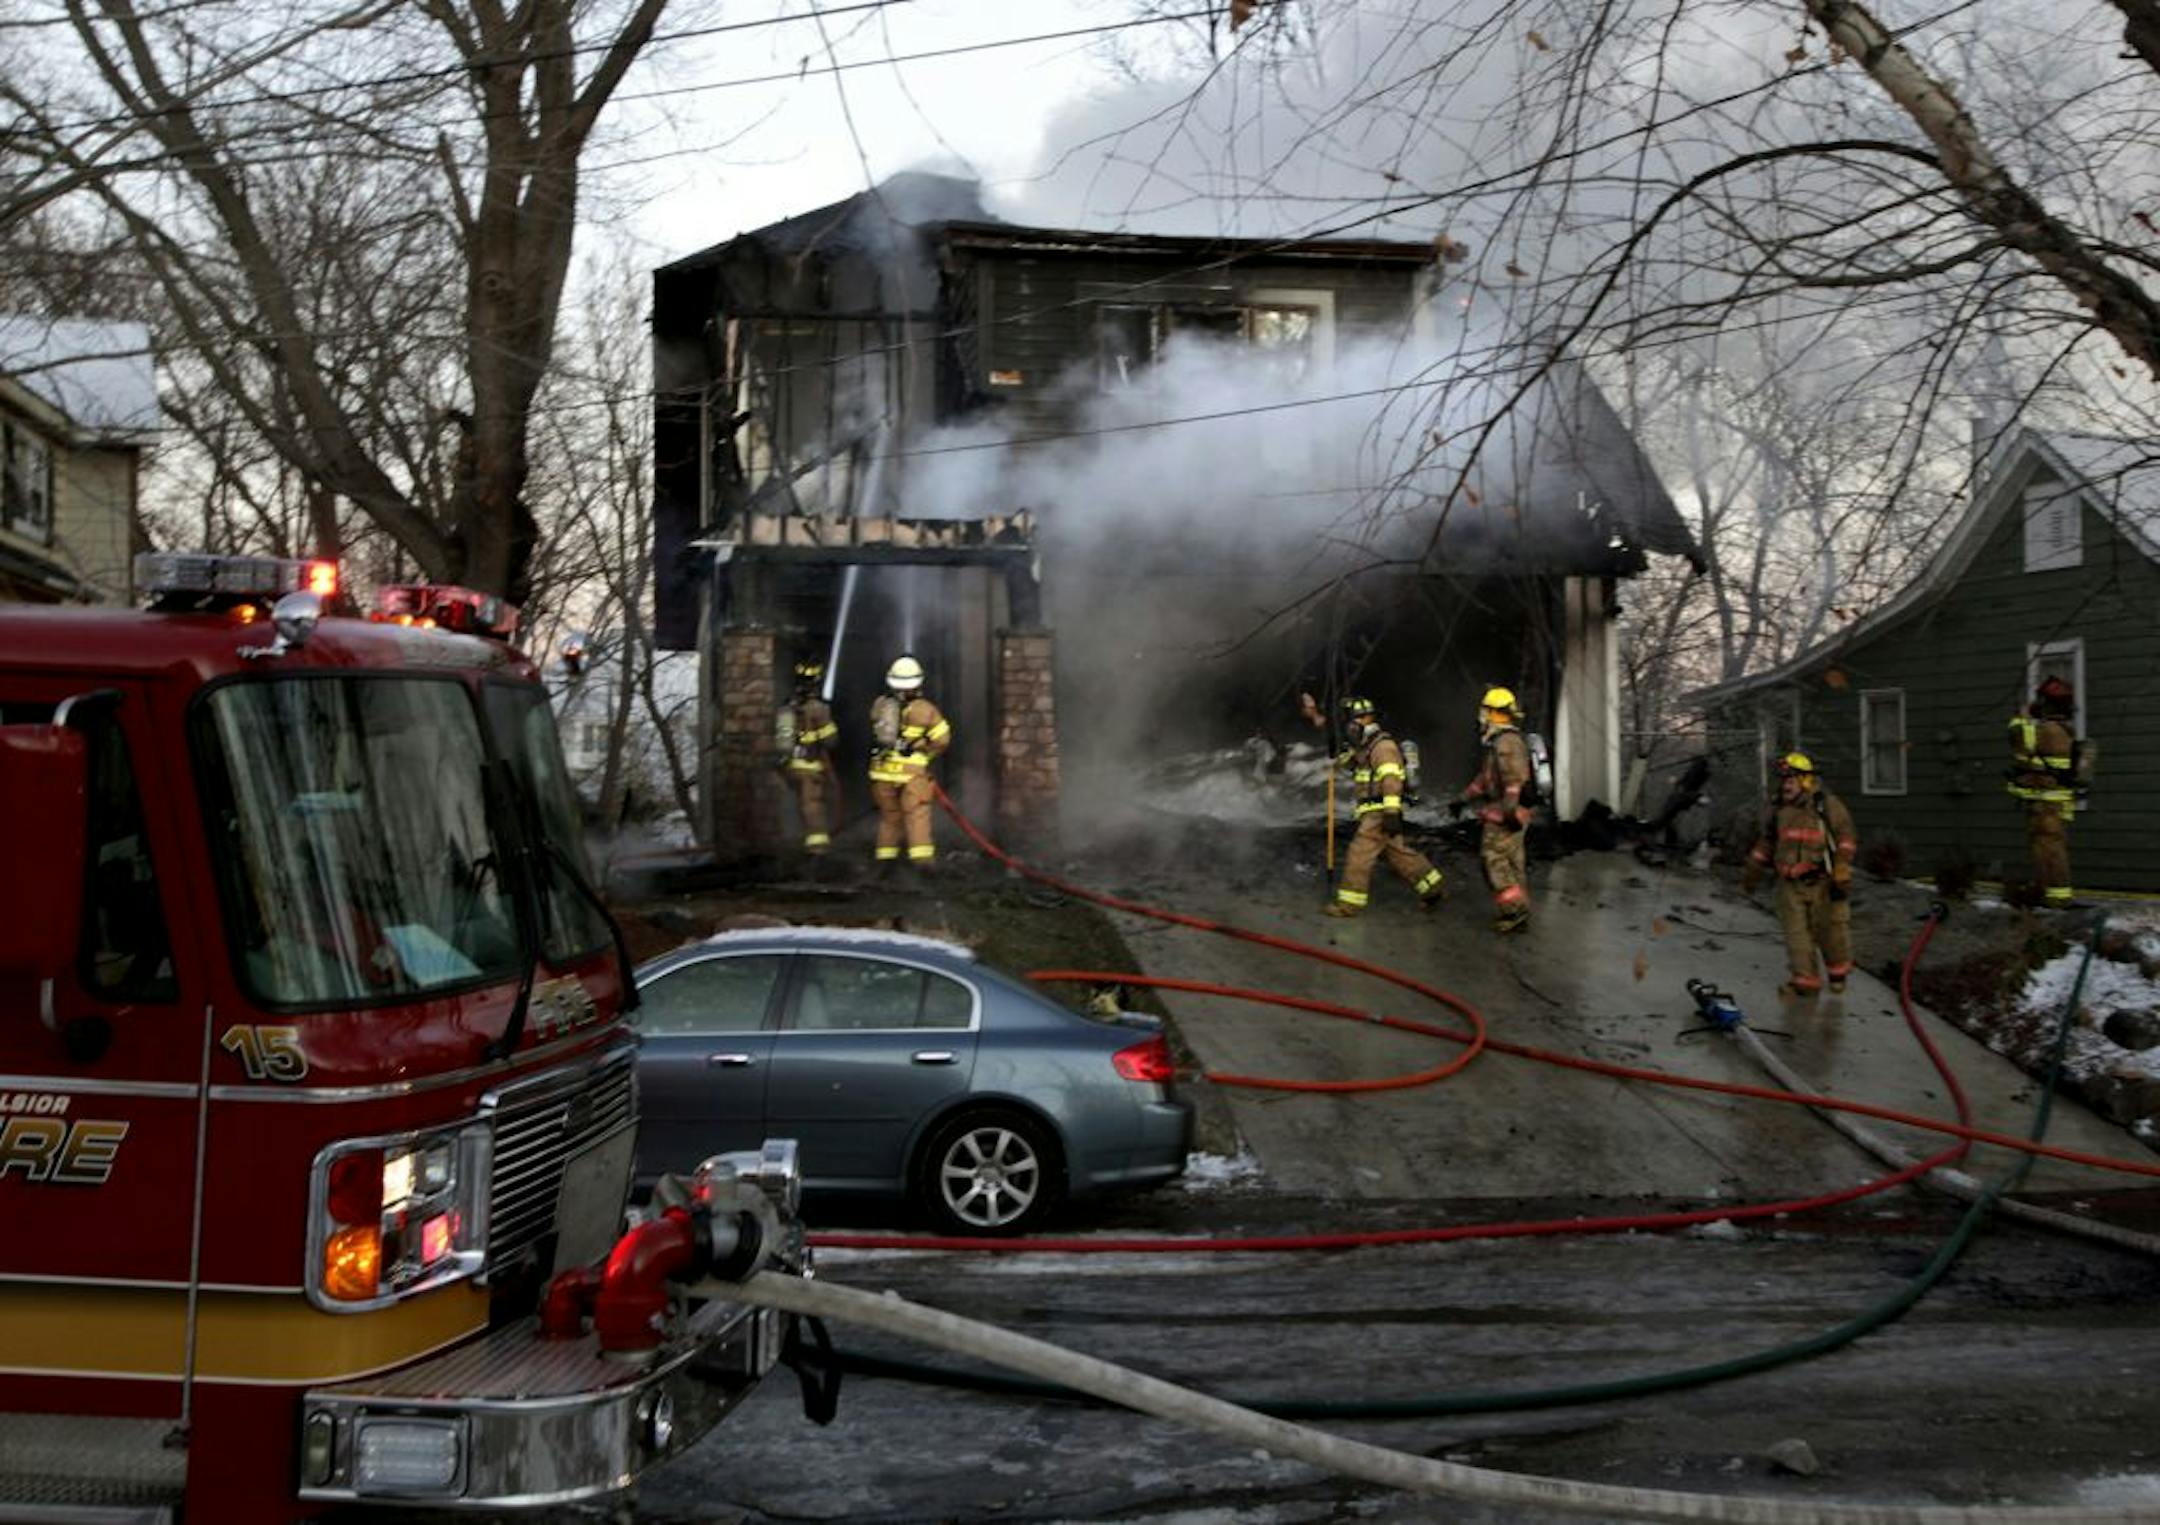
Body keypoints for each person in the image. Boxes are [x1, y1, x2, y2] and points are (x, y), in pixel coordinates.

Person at [1299, 692, 1445, 918]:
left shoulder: (1382, 747)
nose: (1350, 726)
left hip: (1380, 811)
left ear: (1366, 720)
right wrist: (1315, 716)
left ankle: (1349, 905)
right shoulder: (1367, 746)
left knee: (1359, 853)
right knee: (1398, 854)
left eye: (1353, 721)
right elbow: (1346, 752)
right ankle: (1433, 889)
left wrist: (1391, 813)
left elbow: (1391, 780)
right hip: (1377, 810)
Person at [1741, 752, 1858, 998]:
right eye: (1783, 779)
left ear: (1805, 780)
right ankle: (1806, 980)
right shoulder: (1778, 811)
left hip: (1823, 883)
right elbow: (1767, 844)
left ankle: (1838, 974)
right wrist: (1751, 874)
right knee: (1796, 935)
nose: (1786, 784)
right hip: (1789, 885)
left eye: (1791, 779)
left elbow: (1846, 836)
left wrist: (1842, 867)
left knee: (1831, 931)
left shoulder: (1826, 805)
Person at [1458, 686, 1536, 934]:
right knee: (1512, 863)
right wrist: (1463, 798)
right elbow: (1486, 778)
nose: (1482, 715)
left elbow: (1514, 781)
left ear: (1494, 712)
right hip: (1511, 811)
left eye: (1485, 710)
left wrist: (1510, 813)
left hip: (1506, 813)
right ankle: (1519, 908)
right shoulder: (1499, 742)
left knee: (1493, 860)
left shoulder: (1506, 743)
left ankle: (1513, 911)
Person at [868, 653, 950, 868]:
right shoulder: (926, 710)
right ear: (918, 682)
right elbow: (942, 740)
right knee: (917, 815)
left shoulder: (879, 705)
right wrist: (924, 751)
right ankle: (922, 865)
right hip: (912, 774)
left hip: (881, 771)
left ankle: (885, 863)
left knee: (889, 817)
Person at [2007, 675, 2079, 908]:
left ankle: (2055, 900)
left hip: (2045, 806)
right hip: (2054, 804)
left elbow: (2022, 749)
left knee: (2047, 851)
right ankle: (2054, 895)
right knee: (2052, 850)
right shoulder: (2064, 730)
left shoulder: (2048, 731)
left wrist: (2021, 718)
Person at [783, 658, 840, 857]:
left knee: (802, 806)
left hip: (791, 767)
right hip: (811, 767)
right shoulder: (819, 709)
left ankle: (804, 844)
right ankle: (818, 850)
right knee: (813, 806)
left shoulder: (788, 705)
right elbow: (831, 741)